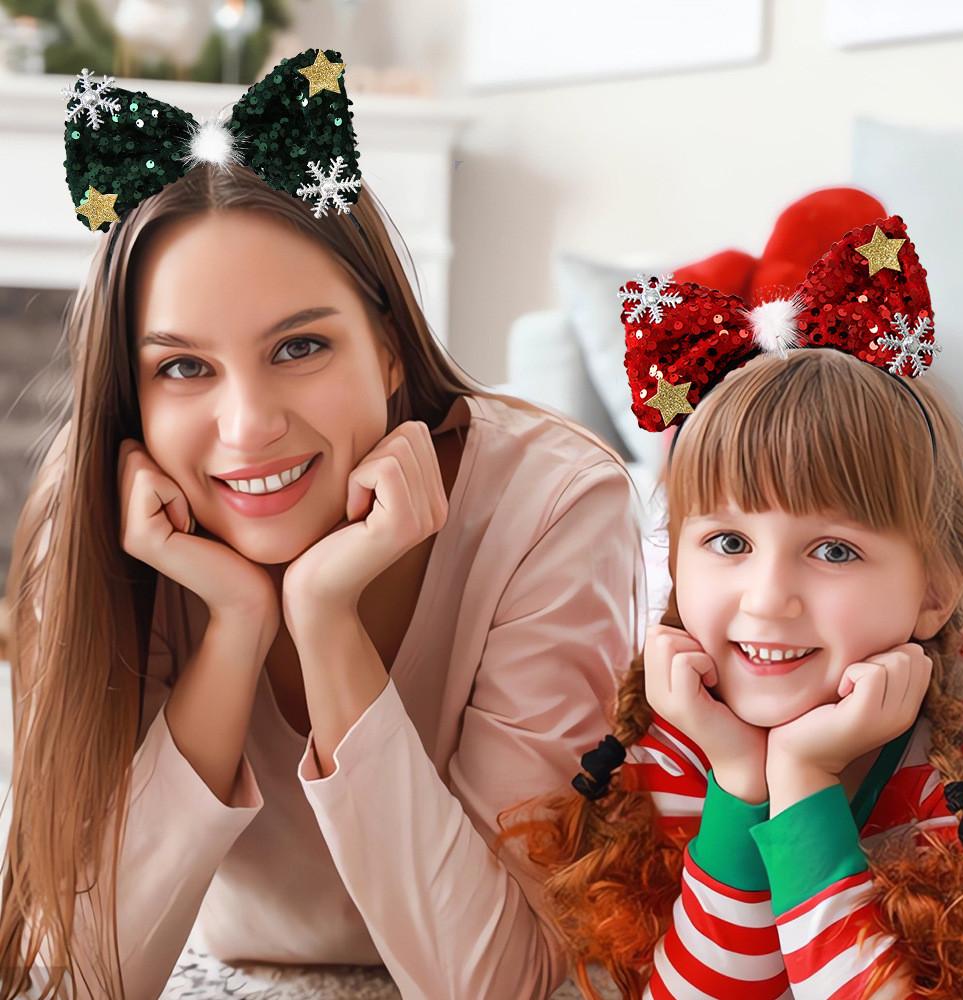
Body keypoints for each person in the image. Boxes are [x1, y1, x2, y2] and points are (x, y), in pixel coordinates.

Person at [0, 49, 644, 1000]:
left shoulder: (552, 504)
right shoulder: (97, 517)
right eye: (183, 367)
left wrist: (327, 623)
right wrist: (234, 631)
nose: (249, 424)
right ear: (130, 395)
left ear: (387, 351)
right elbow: (85, 978)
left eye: (299, 346)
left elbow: (505, 983)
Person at [502, 213, 963, 999]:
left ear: (934, 592)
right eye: (729, 543)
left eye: (834, 551)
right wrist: (740, 779)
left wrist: (802, 776)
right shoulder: (680, 729)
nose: (767, 601)